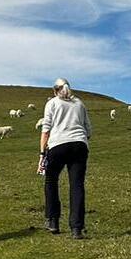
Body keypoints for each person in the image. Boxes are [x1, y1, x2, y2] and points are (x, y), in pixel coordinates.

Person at [39, 78, 93, 239]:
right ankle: (77, 228)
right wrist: (80, 138)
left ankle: (53, 220)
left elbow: (46, 129)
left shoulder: (53, 103)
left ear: (56, 90)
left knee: (51, 179)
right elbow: (88, 128)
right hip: (79, 145)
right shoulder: (79, 104)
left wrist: (42, 154)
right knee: (76, 184)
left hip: (57, 145)